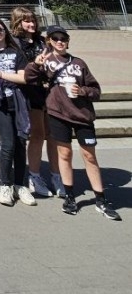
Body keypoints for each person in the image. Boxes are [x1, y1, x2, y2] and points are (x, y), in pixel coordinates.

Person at [23, 27, 121, 220]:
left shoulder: (78, 63)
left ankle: (101, 199)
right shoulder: (46, 61)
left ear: (68, 41)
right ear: (49, 41)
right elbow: (28, 78)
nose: (60, 42)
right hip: (58, 114)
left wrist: (82, 91)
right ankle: (69, 196)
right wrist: (35, 63)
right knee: (64, 153)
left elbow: (96, 90)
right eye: (56, 38)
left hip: (82, 115)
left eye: (63, 39)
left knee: (89, 156)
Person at [0, 19, 36, 207]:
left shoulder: (15, 52)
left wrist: (0, 74)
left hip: (17, 101)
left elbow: (23, 77)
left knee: (20, 143)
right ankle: (6, 185)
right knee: (8, 143)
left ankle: (20, 184)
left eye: (0, 29)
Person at [11, 7, 57, 198]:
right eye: (26, 21)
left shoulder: (40, 40)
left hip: (48, 90)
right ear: (18, 23)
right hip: (29, 92)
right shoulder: (16, 43)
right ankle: (35, 176)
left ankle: (56, 175)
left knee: (53, 133)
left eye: (33, 20)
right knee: (38, 133)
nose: (31, 24)